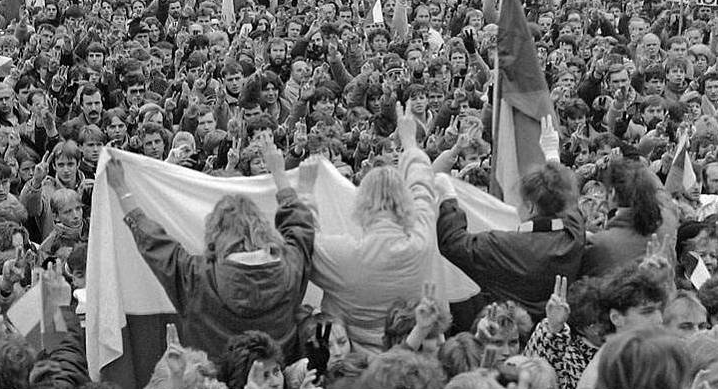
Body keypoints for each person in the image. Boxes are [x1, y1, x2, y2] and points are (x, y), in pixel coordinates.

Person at [104, 132, 315, 360]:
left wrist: (121, 188)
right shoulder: (290, 266)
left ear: (215, 232)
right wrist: (279, 173)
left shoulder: (196, 276)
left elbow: (154, 242)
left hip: (213, 388)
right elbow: (300, 226)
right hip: (275, 383)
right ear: (263, 228)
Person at [310, 101, 439, 354]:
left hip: (356, 366)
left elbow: (304, 237)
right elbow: (423, 187)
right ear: (405, 203)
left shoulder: (342, 255)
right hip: (412, 359)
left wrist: (304, 190)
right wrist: (410, 143)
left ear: (361, 204)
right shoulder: (422, 240)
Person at [436, 117, 586, 318]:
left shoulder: (505, 245)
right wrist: (551, 154)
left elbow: (454, 244)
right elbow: (568, 203)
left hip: (511, 331)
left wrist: (448, 198)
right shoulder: (574, 234)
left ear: (531, 206)